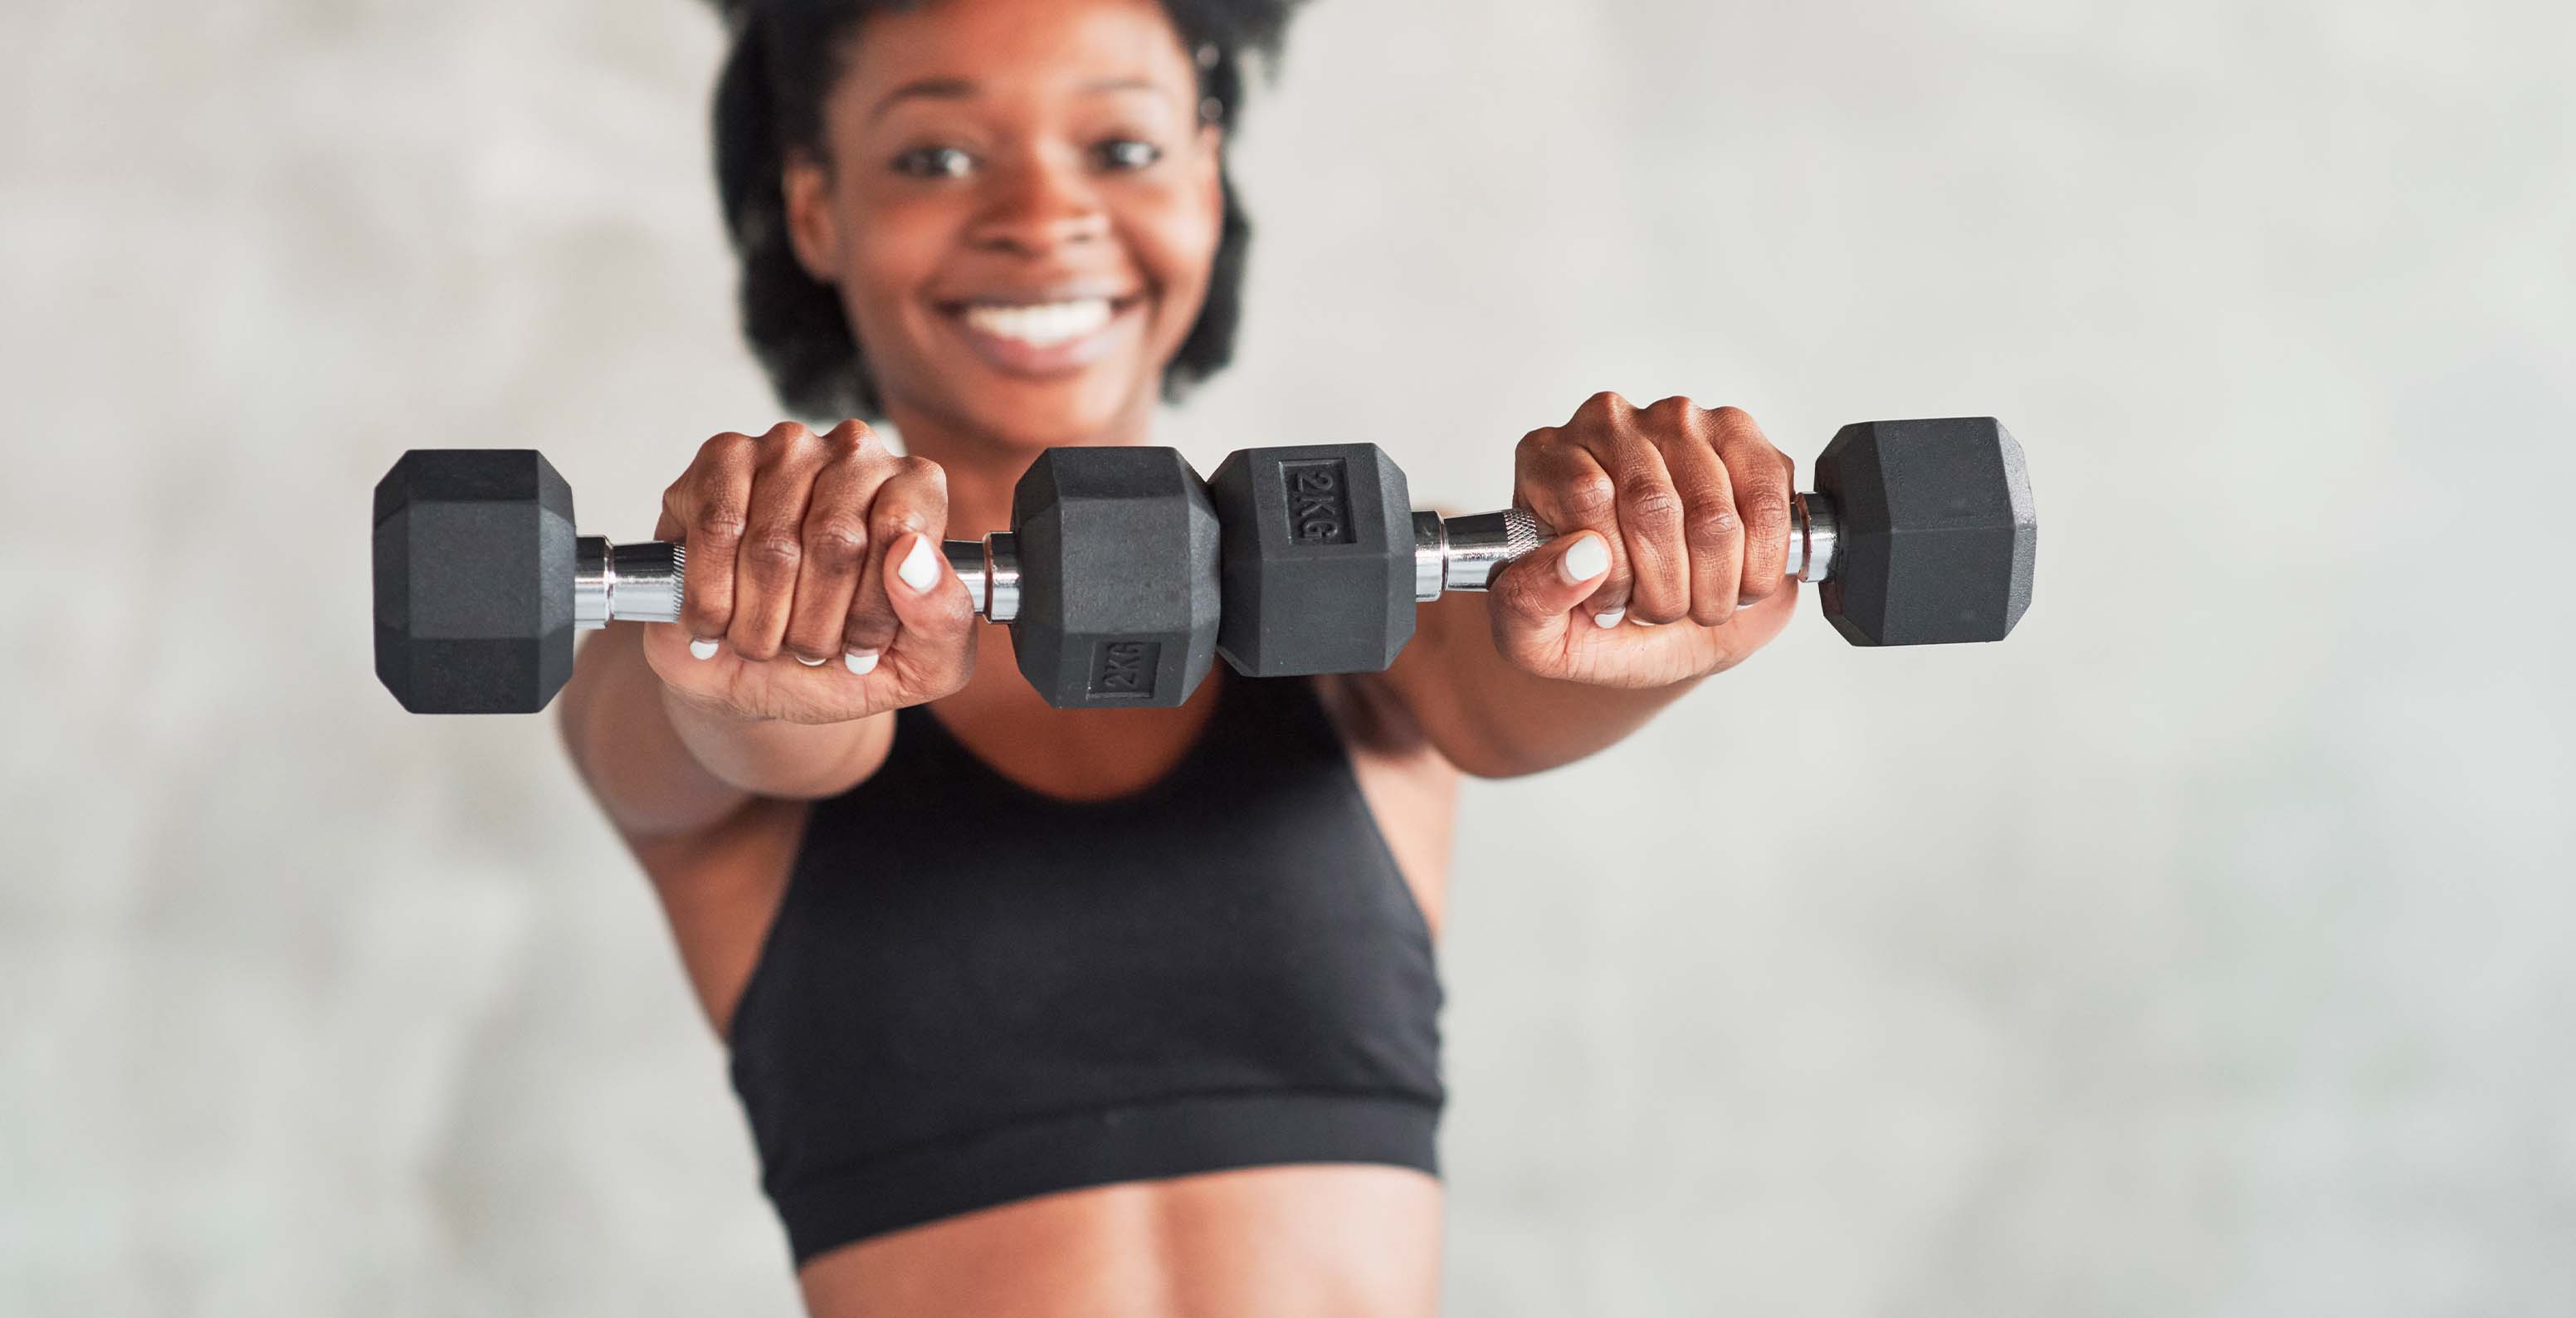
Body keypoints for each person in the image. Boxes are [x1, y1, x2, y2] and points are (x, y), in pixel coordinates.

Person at [556, 0, 1801, 1311]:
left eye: (1123, 147)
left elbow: (1527, 669)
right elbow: (737, 724)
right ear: (815, 209)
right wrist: (750, 639)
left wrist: (1659, 578)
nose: (1043, 217)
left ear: (1208, 173)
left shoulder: (1371, 598)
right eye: (937, 157)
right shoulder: (678, 643)